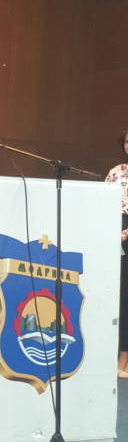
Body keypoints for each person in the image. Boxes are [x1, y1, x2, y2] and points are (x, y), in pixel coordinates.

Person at [106, 129, 128, 377]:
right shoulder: (116, 171)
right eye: (127, 141)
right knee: (118, 296)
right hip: (115, 233)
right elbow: (102, 202)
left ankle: (125, 358)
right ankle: (115, 354)